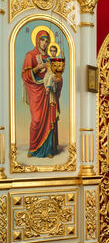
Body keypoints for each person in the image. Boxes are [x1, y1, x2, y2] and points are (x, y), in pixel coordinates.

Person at [22, 30, 62, 158]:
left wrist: (58, 80)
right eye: (42, 40)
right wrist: (38, 68)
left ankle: (49, 149)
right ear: (37, 40)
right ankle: (33, 148)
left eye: (46, 41)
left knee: (50, 118)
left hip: (50, 92)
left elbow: (58, 74)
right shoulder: (31, 55)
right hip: (36, 91)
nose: (44, 43)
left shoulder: (51, 57)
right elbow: (25, 76)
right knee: (36, 120)